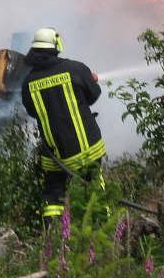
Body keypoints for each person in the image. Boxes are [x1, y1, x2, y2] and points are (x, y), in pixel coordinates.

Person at [20, 27, 107, 219]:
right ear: (56, 45)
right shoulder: (75, 69)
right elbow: (93, 96)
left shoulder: (28, 82)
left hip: (54, 153)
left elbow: (33, 112)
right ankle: (100, 226)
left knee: (53, 194)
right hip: (86, 148)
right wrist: (90, 81)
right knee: (94, 188)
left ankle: (53, 231)